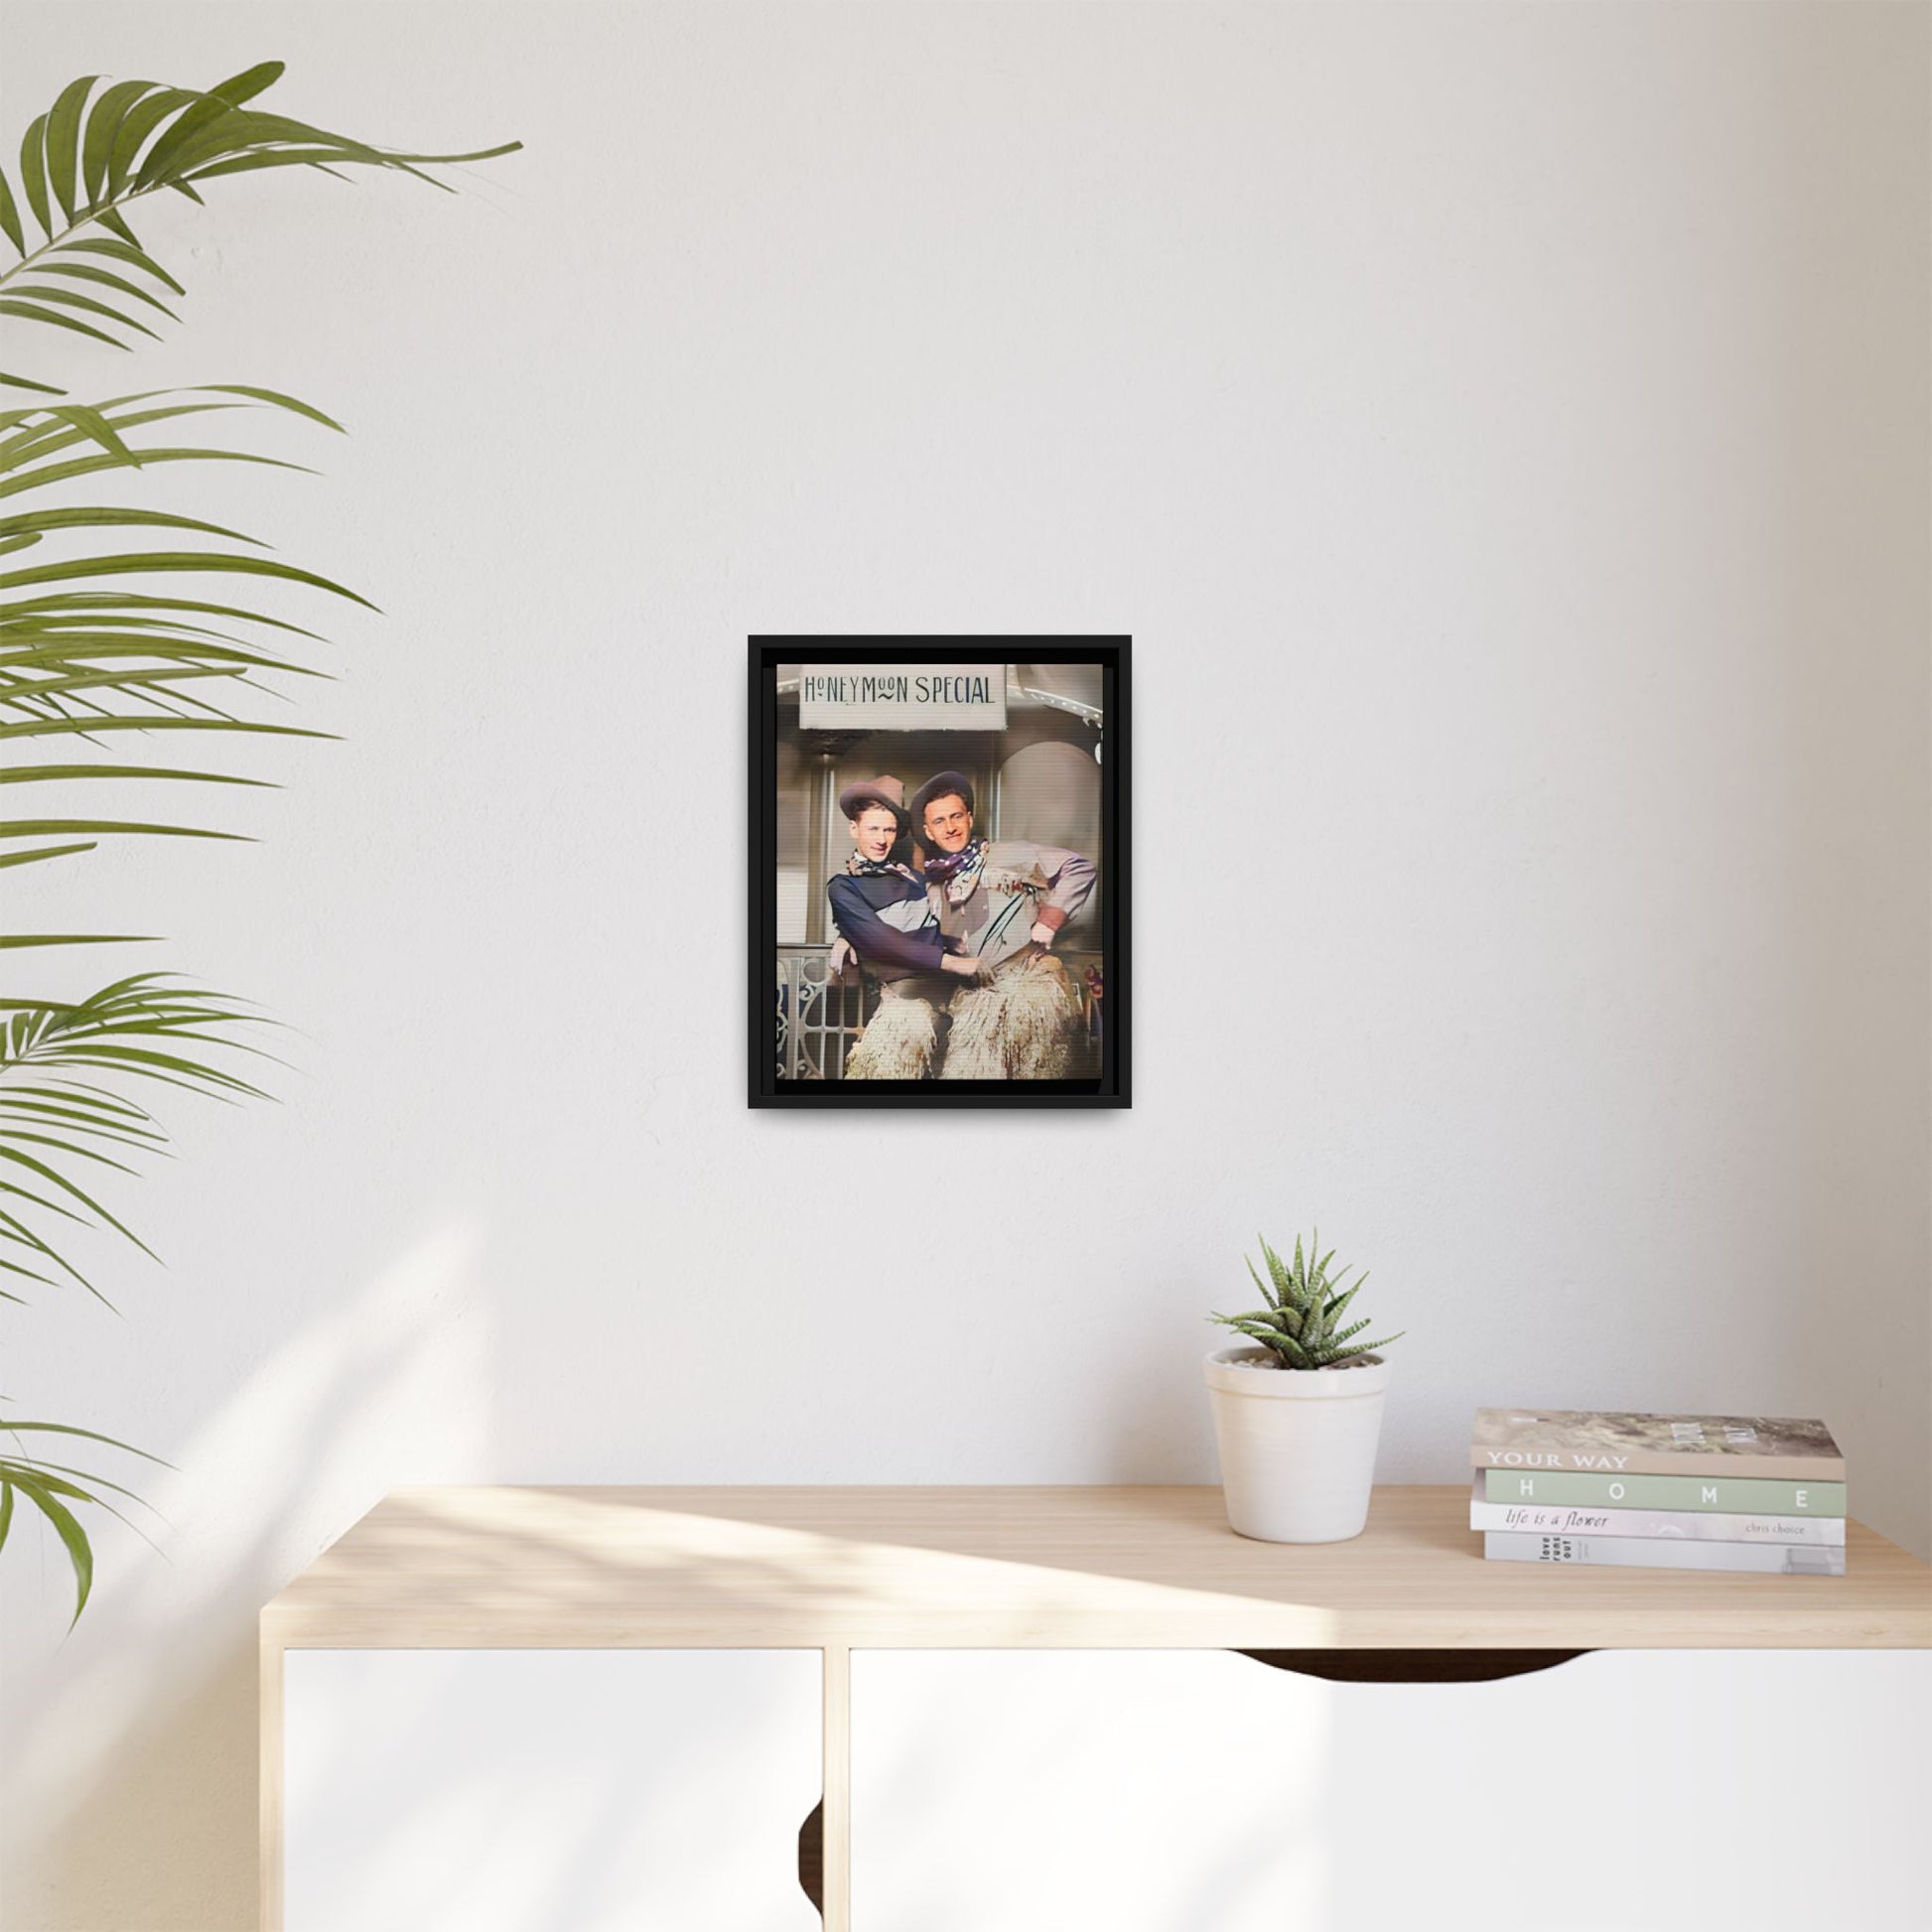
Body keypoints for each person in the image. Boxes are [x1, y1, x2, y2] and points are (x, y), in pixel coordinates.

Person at [908, 769, 1098, 1078]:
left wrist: (1049, 920)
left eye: (956, 816)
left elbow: (1080, 868)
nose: (951, 827)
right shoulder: (933, 886)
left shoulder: (1012, 854)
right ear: (929, 832)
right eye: (939, 822)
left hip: (1029, 994)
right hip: (974, 1002)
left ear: (969, 818)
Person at [824, 775, 985, 1079]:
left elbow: (931, 927)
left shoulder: (914, 878)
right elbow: (881, 942)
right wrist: (850, 933)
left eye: (889, 829)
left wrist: (952, 944)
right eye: (873, 828)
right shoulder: (843, 886)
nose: (881, 838)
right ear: (853, 828)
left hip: (953, 998)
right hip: (901, 1003)